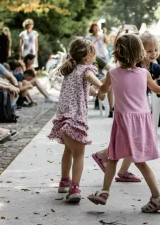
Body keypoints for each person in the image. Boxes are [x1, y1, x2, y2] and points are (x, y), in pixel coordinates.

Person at [87, 33, 160, 212]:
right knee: (118, 157)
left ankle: (157, 197)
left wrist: (99, 93)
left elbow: (103, 89)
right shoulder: (144, 73)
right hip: (141, 120)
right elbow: (157, 89)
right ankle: (105, 192)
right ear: (140, 53)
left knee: (127, 159)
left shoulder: (113, 73)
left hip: (124, 121)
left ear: (116, 54)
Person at [47, 37, 104, 203]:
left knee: (68, 151)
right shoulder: (87, 70)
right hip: (76, 118)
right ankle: (74, 188)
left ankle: (64, 181)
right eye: (94, 54)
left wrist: (93, 91)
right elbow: (98, 84)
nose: (94, 57)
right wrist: (104, 88)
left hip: (64, 118)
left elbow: (84, 89)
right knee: (79, 154)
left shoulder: (70, 70)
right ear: (88, 57)